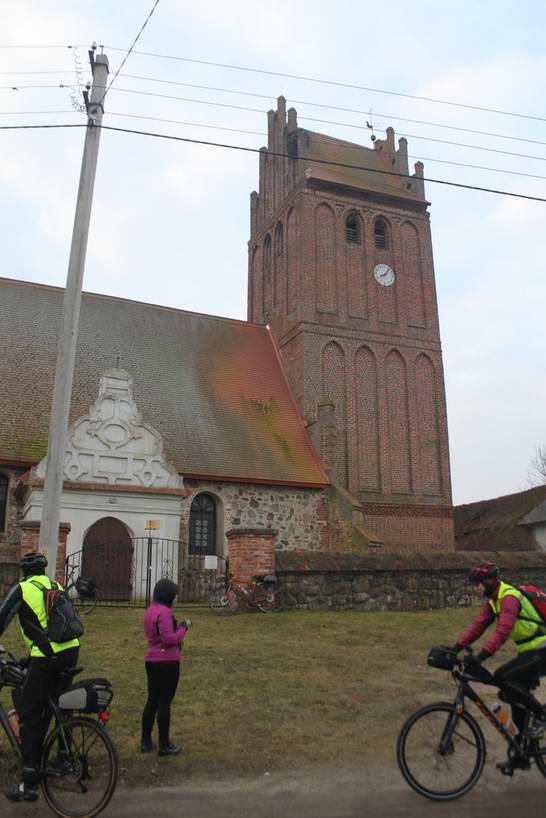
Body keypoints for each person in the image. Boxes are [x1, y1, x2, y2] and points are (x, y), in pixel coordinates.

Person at [0, 552, 80, 802]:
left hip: (48, 656)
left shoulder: (22, 589)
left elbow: (2, 619)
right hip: (71, 650)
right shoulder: (55, 585)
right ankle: (64, 757)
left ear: (24, 571)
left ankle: (29, 783)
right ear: (43, 570)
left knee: (30, 714)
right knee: (57, 705)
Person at [454, 561, 546, 770]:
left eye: (476, 584)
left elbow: (503, 630)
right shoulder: (494, 600)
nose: (474, 588)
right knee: (511, 694)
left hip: (543, 649)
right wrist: (456, 647)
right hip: (532, 651)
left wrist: (482, 656)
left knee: (503, 677)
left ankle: (541, 715)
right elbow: (478, 626)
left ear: (487, 582)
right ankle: (521, 754)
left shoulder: (509, 598)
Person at [141, 578, 190, 756]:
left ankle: (145, 741)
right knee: (164, 702)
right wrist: (184, 628)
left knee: (152, 700)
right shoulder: (165, 613)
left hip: (151, 659)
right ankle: (164, 744)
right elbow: (169, 639)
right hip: (168, 661)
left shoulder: (150, 610)